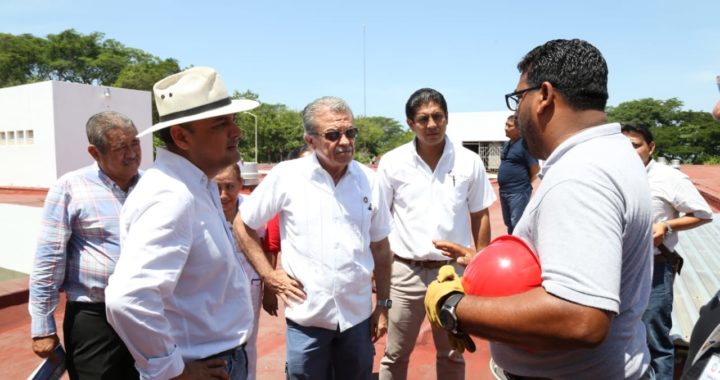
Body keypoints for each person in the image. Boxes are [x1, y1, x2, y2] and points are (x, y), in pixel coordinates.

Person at [425, 39, 655, 379]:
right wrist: (482, 266)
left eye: (519, 98)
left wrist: (453, 305)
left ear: (544, 96)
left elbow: (580, 317)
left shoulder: (581, 175)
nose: (516, 111)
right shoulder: (611, 153)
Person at [105, 66, 260, 380]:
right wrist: (173, 371)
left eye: (233, 121)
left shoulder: (195, 186)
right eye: (221, 124)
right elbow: (128, 299)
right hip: (205, 363)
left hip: (218, 358)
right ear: (181, 136)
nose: (236, 132)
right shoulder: (171, 196)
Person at [232, 96, 393, 380]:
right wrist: (269, 276)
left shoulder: (370, 180)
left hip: (356, 316)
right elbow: (243, 225)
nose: (344, 141)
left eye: (350, 132)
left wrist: (382, 305)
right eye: (333, 135)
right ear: (310, 141)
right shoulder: (287, 176)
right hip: (307, 317)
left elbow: (380, 247)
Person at [377, 88, 496, 380]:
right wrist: (378, 271)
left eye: (437, 117)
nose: (431, 125)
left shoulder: (469, 162)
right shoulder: (393, 163)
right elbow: (379, 220)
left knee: (453, 353)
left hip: (452, 274)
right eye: (423, 119)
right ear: (410, 123)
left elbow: (480, 214)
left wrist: (480, 263)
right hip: (405, 273)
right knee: (394, 354)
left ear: (446, 118)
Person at [28, 111, 141, 379]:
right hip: (95, 318)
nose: (132, 153)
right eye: (120, 147)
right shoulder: (70, 188)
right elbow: (49, 257)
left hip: (147, 312)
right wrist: (42, 326)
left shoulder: (152, 186)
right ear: (94, 152)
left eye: (135, 143)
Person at [622, 122, 713, 379]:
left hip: (654, 267)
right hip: (617, 268)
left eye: (636, 146)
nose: (629, 153)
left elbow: (703, 214)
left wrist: (667, 225)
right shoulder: (613, 175)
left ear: (651, 147)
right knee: (618, 332)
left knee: (653, 334)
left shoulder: (668, 178)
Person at [214, 163, 263, 380]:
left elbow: (267, 247)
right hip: (214, 287)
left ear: (241, 184)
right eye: (217, 188)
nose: (223, 195)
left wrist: (267, 285)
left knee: (247, 341)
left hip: (249, 284)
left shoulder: (252, 208)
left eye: (229, 187)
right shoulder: (203, 209)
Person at [497, 114, 539, 234]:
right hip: (504, 191)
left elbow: (535, 169)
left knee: (518, 223)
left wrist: (525, 188)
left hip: (518, 192)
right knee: (509, 223)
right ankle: (512, 245)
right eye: (505, 124)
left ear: (518, 129)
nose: (505, 128)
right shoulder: (507, 144)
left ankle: (520, 248)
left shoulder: (525, 145)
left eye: (509, 126)